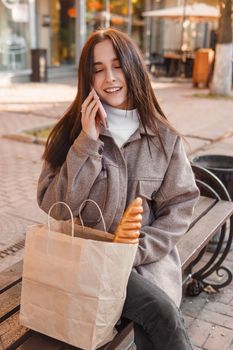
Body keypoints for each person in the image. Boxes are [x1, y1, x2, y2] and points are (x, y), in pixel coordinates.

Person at [37, 27, 199, 350]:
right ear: (88, 79)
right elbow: (53, 204)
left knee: (158, 317)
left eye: (117, 65)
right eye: (98, 70)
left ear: (133, 67)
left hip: (144, 262)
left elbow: (180, 207)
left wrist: (133, 249)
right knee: (163, 314)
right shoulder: (71, 134)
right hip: (86, 262)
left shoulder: (163, 139)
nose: (110, 77)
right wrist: (86, 143)